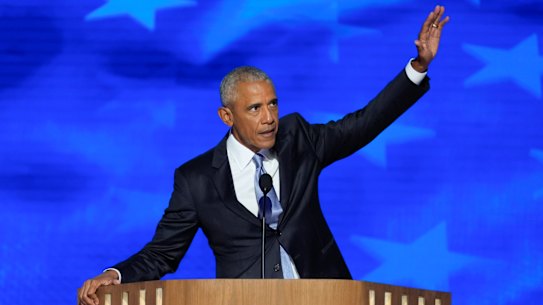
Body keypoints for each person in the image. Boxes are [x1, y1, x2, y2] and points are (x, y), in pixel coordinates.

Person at [79, 5, 449, 305]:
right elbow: (162, 253)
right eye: (255, 108)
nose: (270, 117)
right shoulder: (196, 179)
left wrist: (417, 67)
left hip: (326, 297)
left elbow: (364, 124)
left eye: (273, 104)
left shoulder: (299, 139)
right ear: (227, 116)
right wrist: (113, 276)